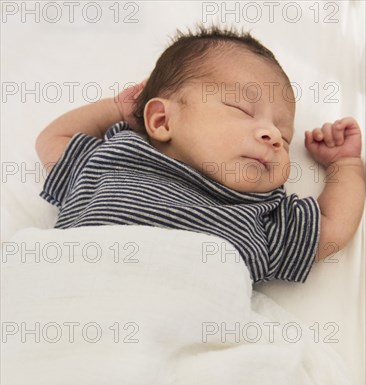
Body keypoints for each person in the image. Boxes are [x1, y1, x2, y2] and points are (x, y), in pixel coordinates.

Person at [35, 24, 365, 284]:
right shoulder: (115, 158)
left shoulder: (264, 212)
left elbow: (331, 227)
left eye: (284, 135)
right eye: (242, 109)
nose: (273, 137)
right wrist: (116, 108)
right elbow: (52, 139)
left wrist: (345, 164)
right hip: (76, 297)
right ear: (162, 120)